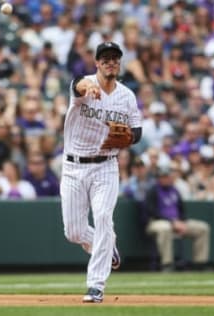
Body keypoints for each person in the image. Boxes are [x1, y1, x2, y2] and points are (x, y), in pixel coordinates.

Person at [60, 42, 142, 303]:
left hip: (106, 165)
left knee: (104, 217)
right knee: (73, 232)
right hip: (73, 166)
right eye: (104, 59)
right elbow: (77, 86)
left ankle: (95, 286)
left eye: (114, 59)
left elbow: (137, 132)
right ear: (96, 63)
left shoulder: (127, 96)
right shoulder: (85, 84)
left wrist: (125, 139)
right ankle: (106, 246)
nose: (110, 63)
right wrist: (87, 86)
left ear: (119, 63)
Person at [145, 166, 210, 271]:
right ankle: (167, 264)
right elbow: (151, 212)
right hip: (156, 222)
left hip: (177, 222)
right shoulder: (153, 191)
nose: (166, 179)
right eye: (163, 177)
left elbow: (182, 210)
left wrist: (182, 222)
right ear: (159, 178)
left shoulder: (174, 190)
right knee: (165, 228)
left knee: (203, 228)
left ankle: (200, 264)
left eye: (168, 176)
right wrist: (172, 222)